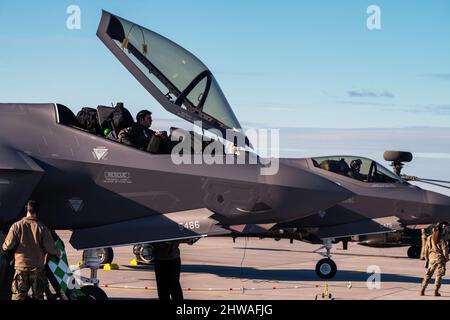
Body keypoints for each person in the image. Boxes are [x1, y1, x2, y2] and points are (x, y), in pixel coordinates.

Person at [2, 200, 60, 300]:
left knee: (18, 297)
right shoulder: (43, 228)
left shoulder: (16, 226)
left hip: (21, 269)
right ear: (37, 212)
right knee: (38, 297)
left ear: (26, 210)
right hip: (37, 269)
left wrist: (4, 246)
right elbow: (50, 248)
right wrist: (57, 252)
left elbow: (8, 246)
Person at [420, 222, 449, 296]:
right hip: (440, 259)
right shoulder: (442, 239)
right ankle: (436, 291)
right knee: (439, 275)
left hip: (431, 259)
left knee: (428, 275)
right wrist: (446, 258)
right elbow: (445, 250)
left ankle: (422, 290)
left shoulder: (429, 238)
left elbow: (426, 249)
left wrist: (427, 259)